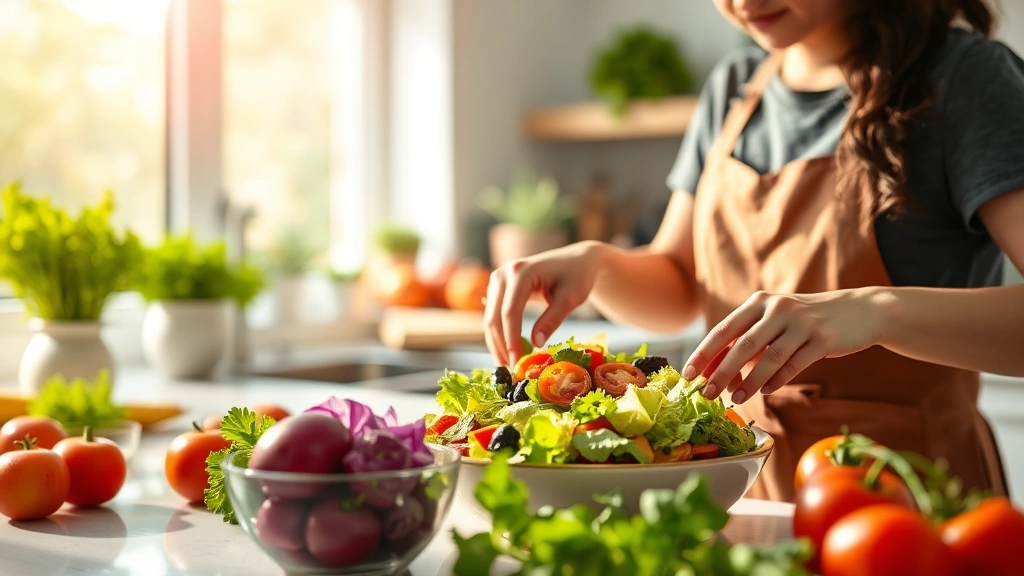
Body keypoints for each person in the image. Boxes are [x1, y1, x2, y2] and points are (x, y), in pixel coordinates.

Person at [483, 0, 1024, 502]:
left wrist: (876, 312)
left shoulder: (965, 78)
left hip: (911, 498)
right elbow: (679, 286)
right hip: (747, 491)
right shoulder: (736, 87)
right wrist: (598, 264)